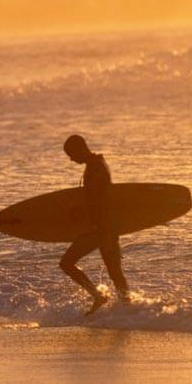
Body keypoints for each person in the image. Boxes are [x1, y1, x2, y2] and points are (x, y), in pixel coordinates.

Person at [59, 134, 129, 314]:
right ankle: (128, 309)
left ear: (80, 149)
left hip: (101, 229)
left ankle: (100, 296)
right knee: (115, 273)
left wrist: (100, 228)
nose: (71, 159)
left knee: (67, 263)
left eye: (71, 154)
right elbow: (97, 199)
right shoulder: (96, 164)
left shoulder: (96, 168)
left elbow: (100, 202)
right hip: (105, 227)